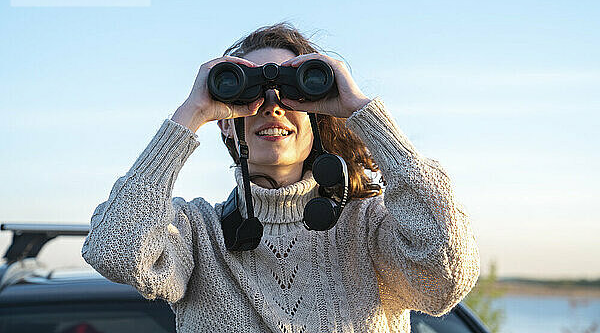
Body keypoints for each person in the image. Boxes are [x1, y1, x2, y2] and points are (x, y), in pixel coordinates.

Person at [82, 23, 480, 333]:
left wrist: (361, 110)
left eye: (291, 95)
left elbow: (447, 273)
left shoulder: (370, 227)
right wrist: (191, 112)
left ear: (318, 117)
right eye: (249, 95)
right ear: (226, 125)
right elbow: (114, 251)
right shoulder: (195, 232)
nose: (272, 108)